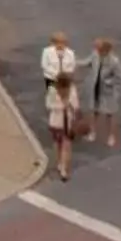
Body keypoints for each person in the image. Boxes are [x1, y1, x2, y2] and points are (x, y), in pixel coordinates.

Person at [40, 30, 79, 180]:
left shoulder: (70, 54)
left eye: (64, 43)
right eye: (59, 43)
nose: (62, 46)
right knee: (59, 142)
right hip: (57, 118)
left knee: (66, 144)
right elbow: (45, 66)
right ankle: (59, 162)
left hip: (67, 121)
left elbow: (75, 105)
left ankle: (63, 167)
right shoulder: (52, 90)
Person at [89, 37, 121, 150]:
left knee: (110, 114)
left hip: (109, 91)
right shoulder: (95, 55)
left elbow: (119, 78)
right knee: (95, 111)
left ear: (106, 50)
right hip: (97, 88)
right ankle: (92, 132)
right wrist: (75, 63)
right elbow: (88, 62)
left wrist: (108, 82)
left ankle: (111, 136)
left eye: (99, 49)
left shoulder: (114, 61)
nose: (96, 51)